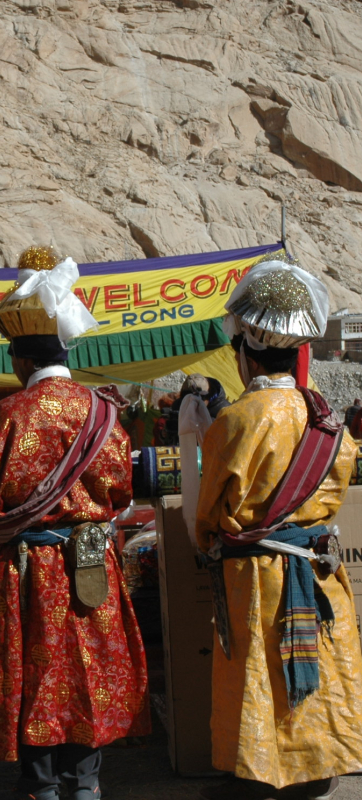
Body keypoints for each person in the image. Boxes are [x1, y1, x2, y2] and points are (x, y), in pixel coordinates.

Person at [0, 246, 149, 800]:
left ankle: (39, 785)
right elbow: (121, 491)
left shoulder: (7, 415)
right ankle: (85, 782)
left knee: (33, 669)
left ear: (20, 360)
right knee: (89, 665)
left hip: (27, 567)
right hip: (91, 562)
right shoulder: (104, 412)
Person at [196, 257, 362, 800]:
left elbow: (209, 515)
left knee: (258, 672)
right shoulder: (328, 421)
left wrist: (207, 539)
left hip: (256, 577)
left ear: (246, 356)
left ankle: (258, 771)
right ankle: (317, 767)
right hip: (317, 568)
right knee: (318, 662)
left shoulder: (235, 421)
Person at [165, 374, 230, 445]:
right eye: (187, 400)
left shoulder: (225, 412)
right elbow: (168, 441)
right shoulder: (179, 405)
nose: (191, 405)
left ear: (208, 397)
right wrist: (167, 432)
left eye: (196, 401)